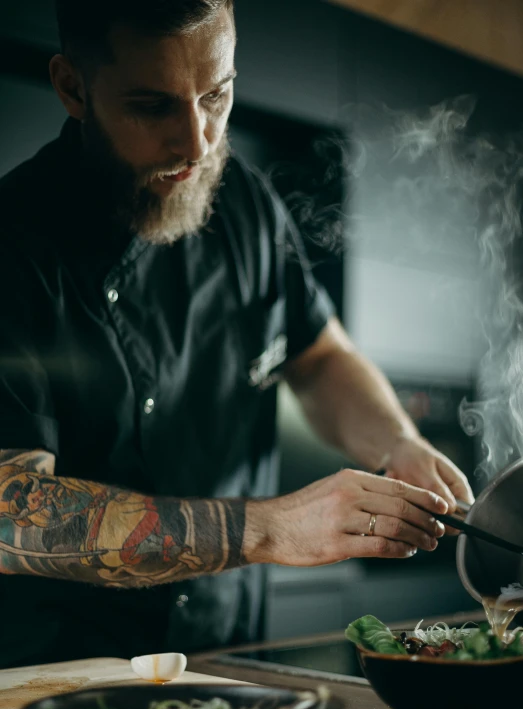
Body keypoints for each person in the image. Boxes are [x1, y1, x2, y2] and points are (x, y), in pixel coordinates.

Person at [0, 0, 474, 668]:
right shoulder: (12, 250)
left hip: (232, 654)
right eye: (152, 105)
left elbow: (318, 354)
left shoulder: (243, 202)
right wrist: (270, 528)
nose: (196, 142)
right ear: (73, 86)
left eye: (215, 95)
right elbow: (14, 513)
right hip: (58, 678)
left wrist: (395, 439)